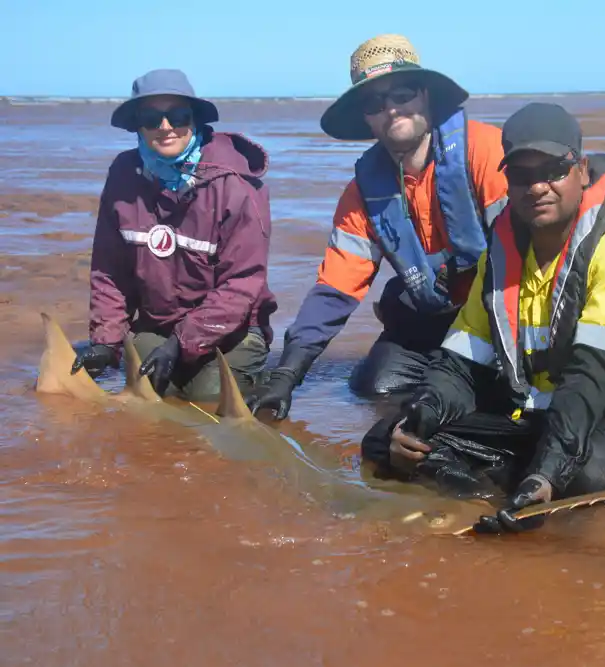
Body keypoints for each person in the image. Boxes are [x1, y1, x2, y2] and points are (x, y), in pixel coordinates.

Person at [361, 102, 605, 534]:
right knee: (385, 440)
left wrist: (548, 473)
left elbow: (590, 379)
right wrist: (420, 418)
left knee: (578, 478)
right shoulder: (500, 253)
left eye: (553, 169)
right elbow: (461, 362)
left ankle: (520, 486)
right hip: (539, 414)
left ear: (583, 170)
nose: (538, 186)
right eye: (521, 175)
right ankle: (477, 506)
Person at [245, 34, 508, 419]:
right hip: (430, 321)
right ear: (365, 118)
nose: (392, 110)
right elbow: (335, 288)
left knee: (486, 401)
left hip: (500, 316)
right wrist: (287, 374)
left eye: (402, 94)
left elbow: (537, 258)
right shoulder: (362, 192)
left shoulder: (488, 152)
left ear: (426, 96)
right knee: (373, 390)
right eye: (374, 103)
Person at [70, 68, 277, 401]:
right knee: (148, 397)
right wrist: (105, 344)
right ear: (137, 126)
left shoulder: (234, 183)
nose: (165, 127)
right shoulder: (123, 174)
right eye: (152, 119)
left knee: (211, 404)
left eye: (177, 116)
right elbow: (109, 271)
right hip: (158, 327)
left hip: (232, 332)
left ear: (193, 119)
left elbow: (242, 284)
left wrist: (181, 345)